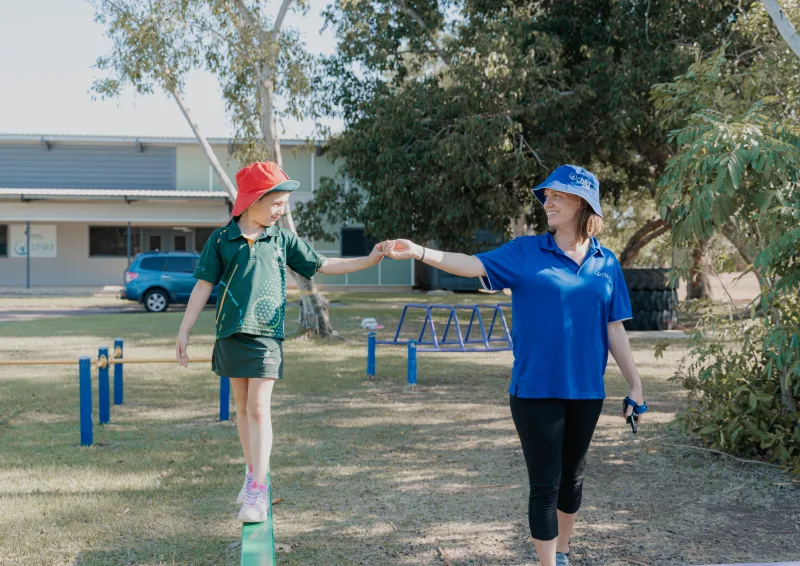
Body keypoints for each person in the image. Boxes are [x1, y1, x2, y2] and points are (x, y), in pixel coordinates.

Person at [384, 164, 647, 566]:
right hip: (534, 390)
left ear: (582, 203)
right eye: (547, 196)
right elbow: (470, 264)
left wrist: (635, 385)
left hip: (587, 391)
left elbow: (615, 329)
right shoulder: (524, 252)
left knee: (572, 482)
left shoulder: (605, 262)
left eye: (558, 195)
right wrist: (420, 251)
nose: (549, 202)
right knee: (545, 484)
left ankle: (562, 552)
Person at [175, 161, 386, 523]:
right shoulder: (221, 239)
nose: (281, 209)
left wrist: (369, 259)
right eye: (275, 202)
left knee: (258, 407)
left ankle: (259, 488)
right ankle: (251, 472)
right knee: (240, 407)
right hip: (230, 333)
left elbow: (322, 264)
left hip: (267, 335)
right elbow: (203, 285)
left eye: (283, 202)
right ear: (252, 200)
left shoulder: (282, 239)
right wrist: (184, 329)